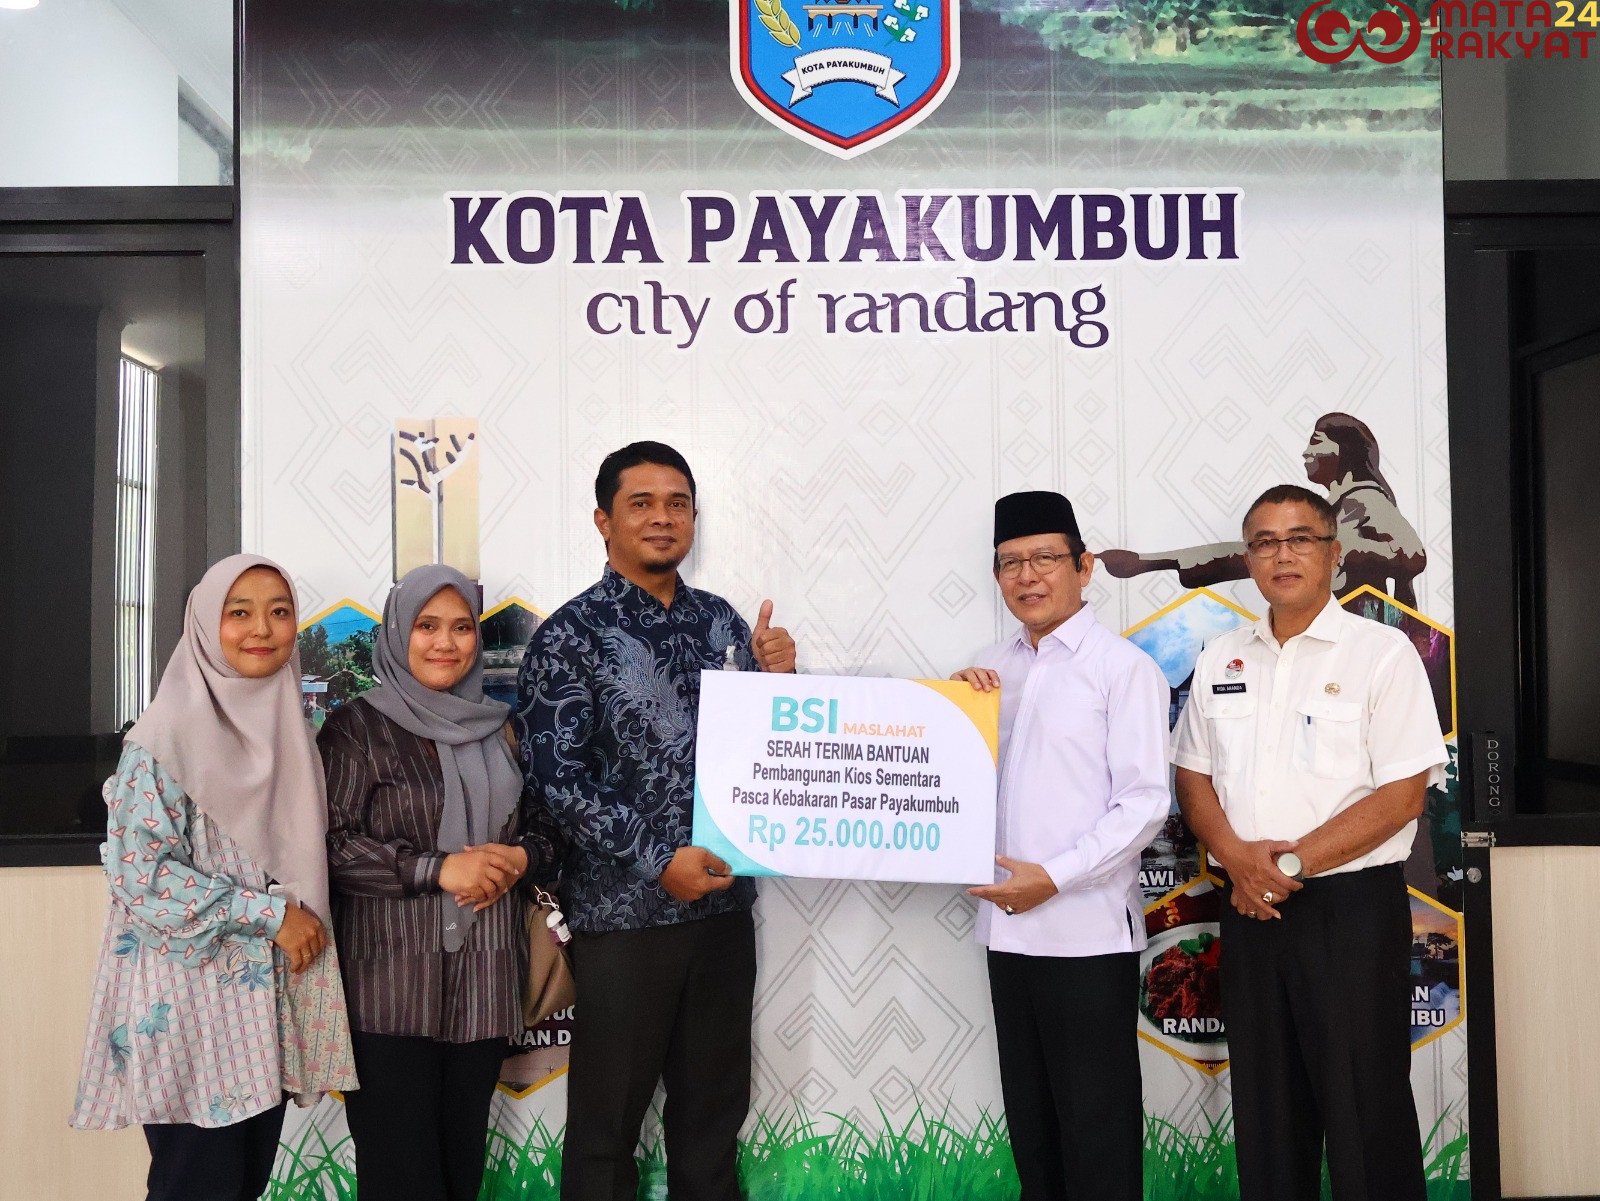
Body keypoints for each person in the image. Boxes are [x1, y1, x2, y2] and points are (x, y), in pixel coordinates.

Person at [516, 440, 797, 1201]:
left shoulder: (722, 623)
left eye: (678, 503)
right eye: (641, 503)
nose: (663, 518)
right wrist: (656, 859)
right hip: (624, 920)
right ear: (603, 520)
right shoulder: (569, 636)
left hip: (723, 909)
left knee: (713, 1117)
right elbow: (556, 780)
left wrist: (782, 682)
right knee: (606, 1127)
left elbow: (767, 751)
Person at [1171, 483, 1447, 1201]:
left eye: (1299, 538)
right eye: (1264, 542)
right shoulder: (1221, 657)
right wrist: (1239, 862)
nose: (1282, 555)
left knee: (1365, 1109)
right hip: (1249, 908)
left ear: (1334, 553)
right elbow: (1192, 777)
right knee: (1267, 1114)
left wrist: (1282, 865)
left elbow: (1402, 796)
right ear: (1249, 559)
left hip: (1348, 911)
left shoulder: (1381, 654)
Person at [72, 554, 357, 1201]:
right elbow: (142, 876)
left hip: (262, 1016)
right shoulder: (162, 740)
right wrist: (271, 915)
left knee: (242, 1186)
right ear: (204, 624)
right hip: (191, 1014)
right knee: (196, 1187)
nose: (262, 628)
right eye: (239, 612)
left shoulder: (291, 735)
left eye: (279, 611)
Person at [317, 564, 564, 1201]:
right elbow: (331, 846)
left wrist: (518, 858)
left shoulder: (502, 728)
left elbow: (548, 832)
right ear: (398, 632)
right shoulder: (356, 727)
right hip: (387, 993)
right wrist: (437, 867)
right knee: (400, 1180)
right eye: (427, 626)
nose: (445, 643)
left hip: (483, 984)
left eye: (461, 628)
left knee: (460, 1175)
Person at [949, 490, 1170, 1201]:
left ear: (1084, 566)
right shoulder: (986, 671)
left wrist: (1053, 876)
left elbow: (1144, 803)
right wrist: (949, 713)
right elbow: (954, 784)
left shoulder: (1122, 668)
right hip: (1005, 933)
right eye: (1010, 562)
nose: (1027, 575)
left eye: (1045, 557)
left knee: (1097, 1131)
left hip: (1087, 935)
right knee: (1034, 1129)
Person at [1099, 412, 1427, 605]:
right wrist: (1153, 562)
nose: (1305, 453)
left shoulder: (1365, 498)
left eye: (1315, 442)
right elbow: (1238, 554)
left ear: (1344, 450)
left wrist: (1341, 551)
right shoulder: (1338, 506)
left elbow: (1413, 555)